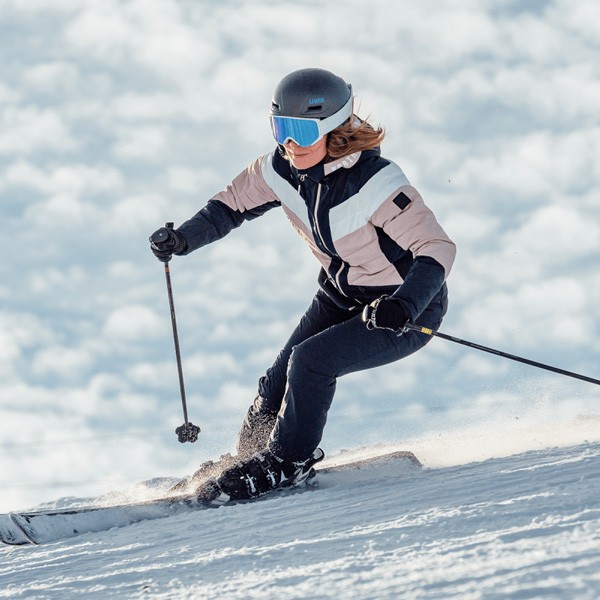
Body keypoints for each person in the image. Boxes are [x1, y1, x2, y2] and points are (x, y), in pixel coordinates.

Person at [150, 67, 456, 504]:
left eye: (301, 131)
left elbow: (436, 248)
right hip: (341, 294)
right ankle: (249, 458)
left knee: (311, 362)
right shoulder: (279, 169)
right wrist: (182, 239)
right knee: (276, 380)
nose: (289, 144)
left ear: (333, 131)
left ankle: (286, 461)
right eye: (280, 128)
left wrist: (404, 305)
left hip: (404, 309)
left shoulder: (377, 182)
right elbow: (230, 205)